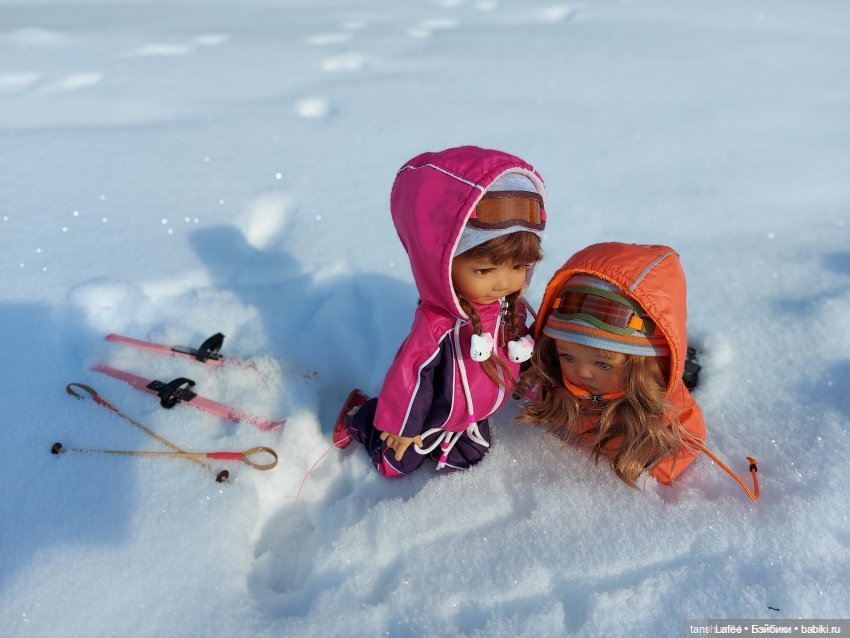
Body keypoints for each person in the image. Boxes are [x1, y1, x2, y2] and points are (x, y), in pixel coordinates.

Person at [333, 145, 546, 477]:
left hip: (472, 415)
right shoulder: (439, 324)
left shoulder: (509, 308)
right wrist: (402, 427)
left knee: (470, 457)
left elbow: (520, 346)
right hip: (429, 414)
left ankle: (454, 435)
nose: (504, 282)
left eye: (518, 266)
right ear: (442, 264)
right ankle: (361, 417)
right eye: (484, 270)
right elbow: (411, 375)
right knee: (395, 464)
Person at [519, 242, 707, 486]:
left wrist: (652, 467)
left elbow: (688, 442)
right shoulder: (553, 380)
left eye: (603, 364)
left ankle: (688, 364)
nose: (582, 372)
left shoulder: (664, 412)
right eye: (567, 356)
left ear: (643, 367)